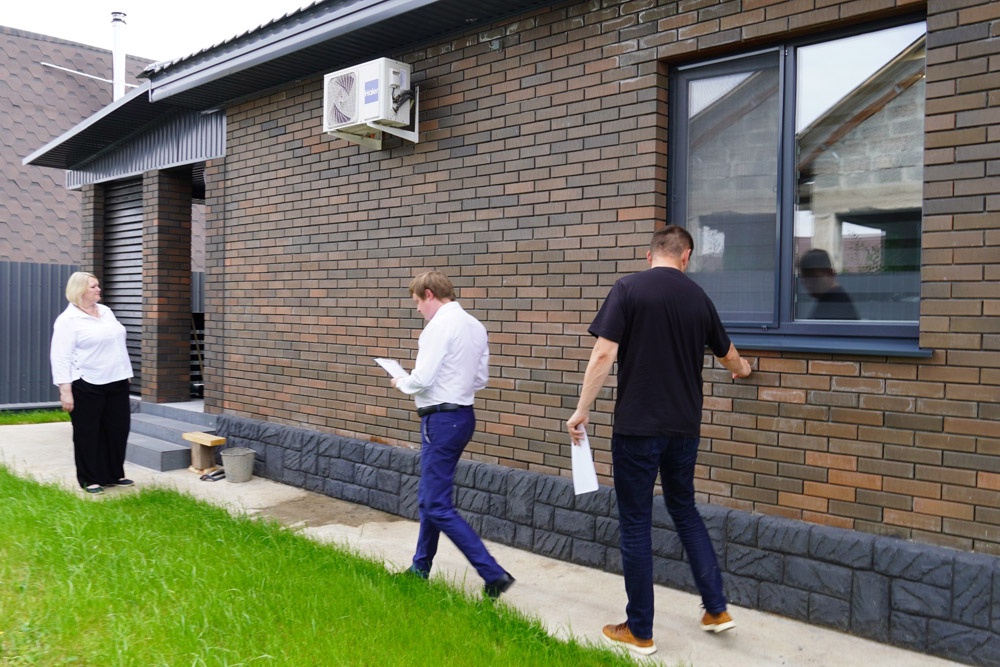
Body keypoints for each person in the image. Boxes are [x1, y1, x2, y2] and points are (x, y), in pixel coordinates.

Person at [567, 225, 752, 656]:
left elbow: (603, 353)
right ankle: (716, 608)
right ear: (686, 257)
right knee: (684, 509)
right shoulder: (699, 298)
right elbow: (728, 355)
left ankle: (640, 630)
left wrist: (581, 409)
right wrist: (743, 370)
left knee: (635, 523)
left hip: (637, 428)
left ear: (650, 255)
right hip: (684, 429)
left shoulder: (628, 289)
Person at [390, 270, 515, 598]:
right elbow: (480, 379)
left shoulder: (438, 327)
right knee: (429, 497)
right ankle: (420, 568)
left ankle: (493, 573)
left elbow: (422, 379)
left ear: (429, 294)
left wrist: (401, 382)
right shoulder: (475, 326)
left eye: (417, 301)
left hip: (440, 422)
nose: (417, 308)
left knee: (436, 503)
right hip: (463, 417)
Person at [50, 271, 135, 495]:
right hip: (87, 383)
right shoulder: (68, 321)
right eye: (93, 286)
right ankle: (90, 479)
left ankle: (113, 474)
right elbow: (60, 357)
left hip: (117, 380)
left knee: (117, 430)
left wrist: (125, 371)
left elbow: (116, 342)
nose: (99, 289)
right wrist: (65, 390)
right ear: (80, 290)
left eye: (98, 285)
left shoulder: (105, 311)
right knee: (88, 433)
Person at [798, 248, 859, 320]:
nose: (808, 284)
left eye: (813, 277)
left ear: (830, 273)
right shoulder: (829, 299)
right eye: (804, 279)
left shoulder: (837, 304)